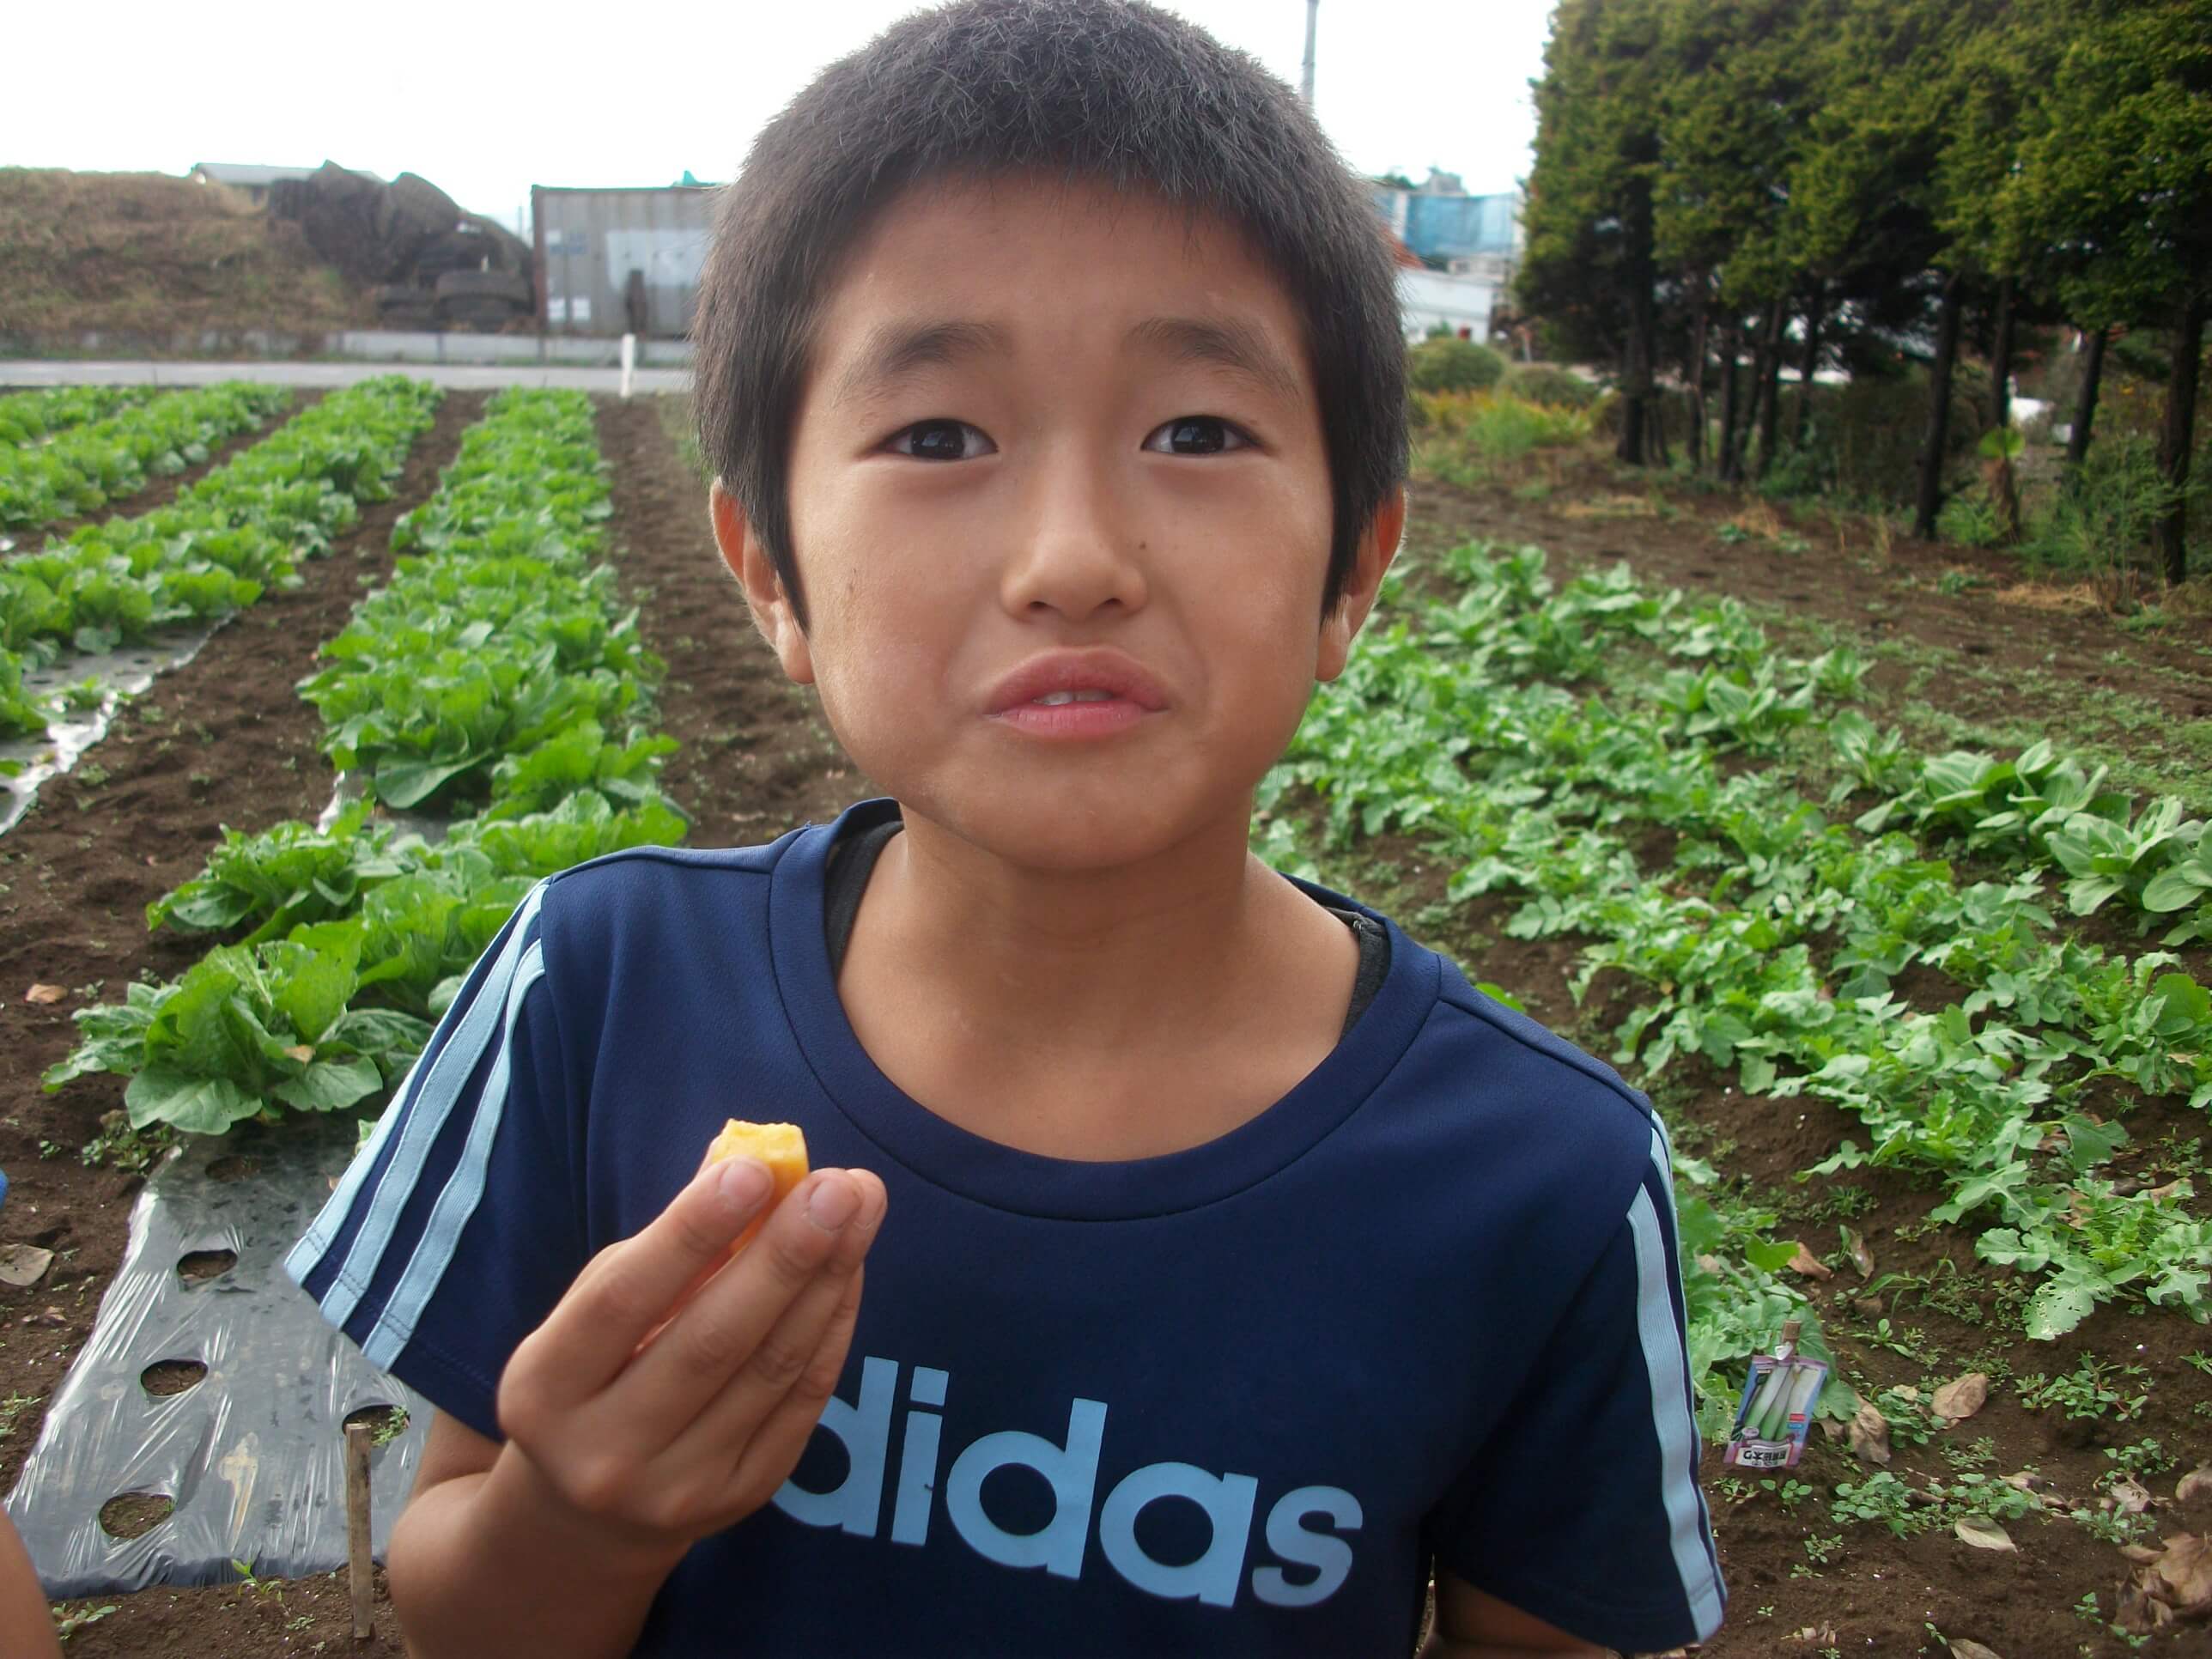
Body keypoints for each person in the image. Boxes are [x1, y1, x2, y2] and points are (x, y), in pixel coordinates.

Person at [285, 3, 1725, 1654]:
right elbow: (455, 1612)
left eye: (1196, 431)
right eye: (939, 436)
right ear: (772, 575)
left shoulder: (1540, 1185)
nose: (1071, 554)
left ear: (1356, 567)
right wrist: (579, 1516)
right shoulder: (600, 994)